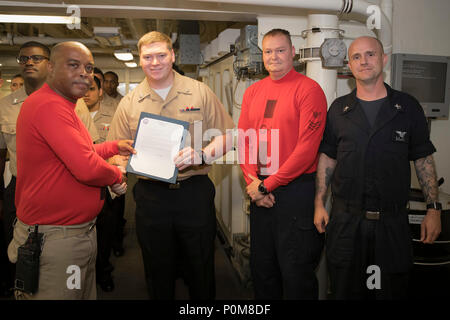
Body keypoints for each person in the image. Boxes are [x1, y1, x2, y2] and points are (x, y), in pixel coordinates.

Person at [107, 31, 234, 299]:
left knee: (200, 268)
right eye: (148, 57)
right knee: (157, 270)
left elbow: (228, 135)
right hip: (151, 198)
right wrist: (117, 172)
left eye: (161, 55)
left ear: (172, 55)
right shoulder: (129, 103)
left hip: (194, 192)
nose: (155, 62)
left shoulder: (199, 91)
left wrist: (202, 154)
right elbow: (115, 151)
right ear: (140, 60)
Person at [314, 36, 442, 300]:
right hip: (347, 224)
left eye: (371, 54)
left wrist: (433, 209)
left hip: (391, 226)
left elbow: (423, 159)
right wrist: (319, 202)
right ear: (349, 65)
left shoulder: (407, 107)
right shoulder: (339, 110)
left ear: (383, 59)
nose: (364, 61)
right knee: (344, 291)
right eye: (357, 57)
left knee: (388, 292)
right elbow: (328, 158)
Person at [9, 41, 135, 300]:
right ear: (52, 68)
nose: (85, 74)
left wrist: (113, 147)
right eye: (74, 65)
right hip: (57, 240)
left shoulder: (64, 105)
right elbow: (86, 167)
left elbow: (81, 152)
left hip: (73, 235)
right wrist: (115, 175)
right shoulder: (50, 106)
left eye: (89, 68)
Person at [238, 28, 327, 299]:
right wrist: (253, 183)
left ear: (293, 53)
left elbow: (307, 150)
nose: (274, 56)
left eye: (280, 50)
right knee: (263, 270)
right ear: (262, 55)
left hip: (295, 193)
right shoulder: (253, 91)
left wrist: (267, 186)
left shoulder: (309, 89)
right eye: (268, 51)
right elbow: (244, 140)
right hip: (261, 190)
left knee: (296, 272)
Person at [0, 42, 51, 295]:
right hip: (18, 188)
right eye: (24, 58)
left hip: (55, 190)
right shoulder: (6, 105)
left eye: (36, 58)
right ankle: (17, 289)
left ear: (50, 65)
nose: (29, 62)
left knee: (51, 249)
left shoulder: (70, 101)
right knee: (16, 247)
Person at [83, 75, 118, 291]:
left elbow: (114, 148)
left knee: (105, 231)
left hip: (106, 181)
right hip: (79, 183)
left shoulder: (113, 113)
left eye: (92, 88)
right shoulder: (71, 113)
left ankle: (102, 271)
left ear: (100, 91)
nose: (86, 93)